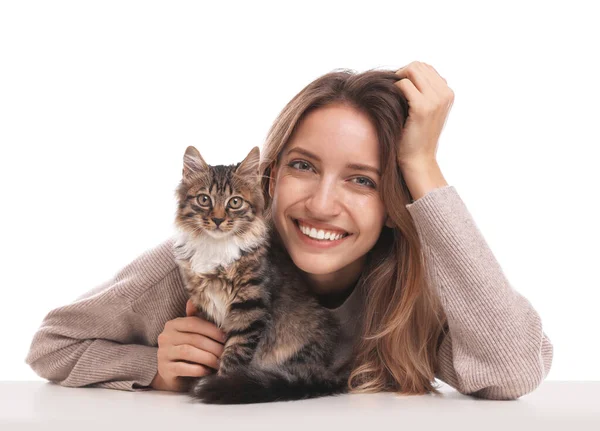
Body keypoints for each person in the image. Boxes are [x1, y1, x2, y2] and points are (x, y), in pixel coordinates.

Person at [24, 61, 553, 400]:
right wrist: (155, 370)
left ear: (396, 204)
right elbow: (52, 345)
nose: (322, 204)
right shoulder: (201, 262)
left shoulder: (413, 292)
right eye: (303, 166)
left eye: (362, 181)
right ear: (269, 179)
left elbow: (512, 371)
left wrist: (423, 166)